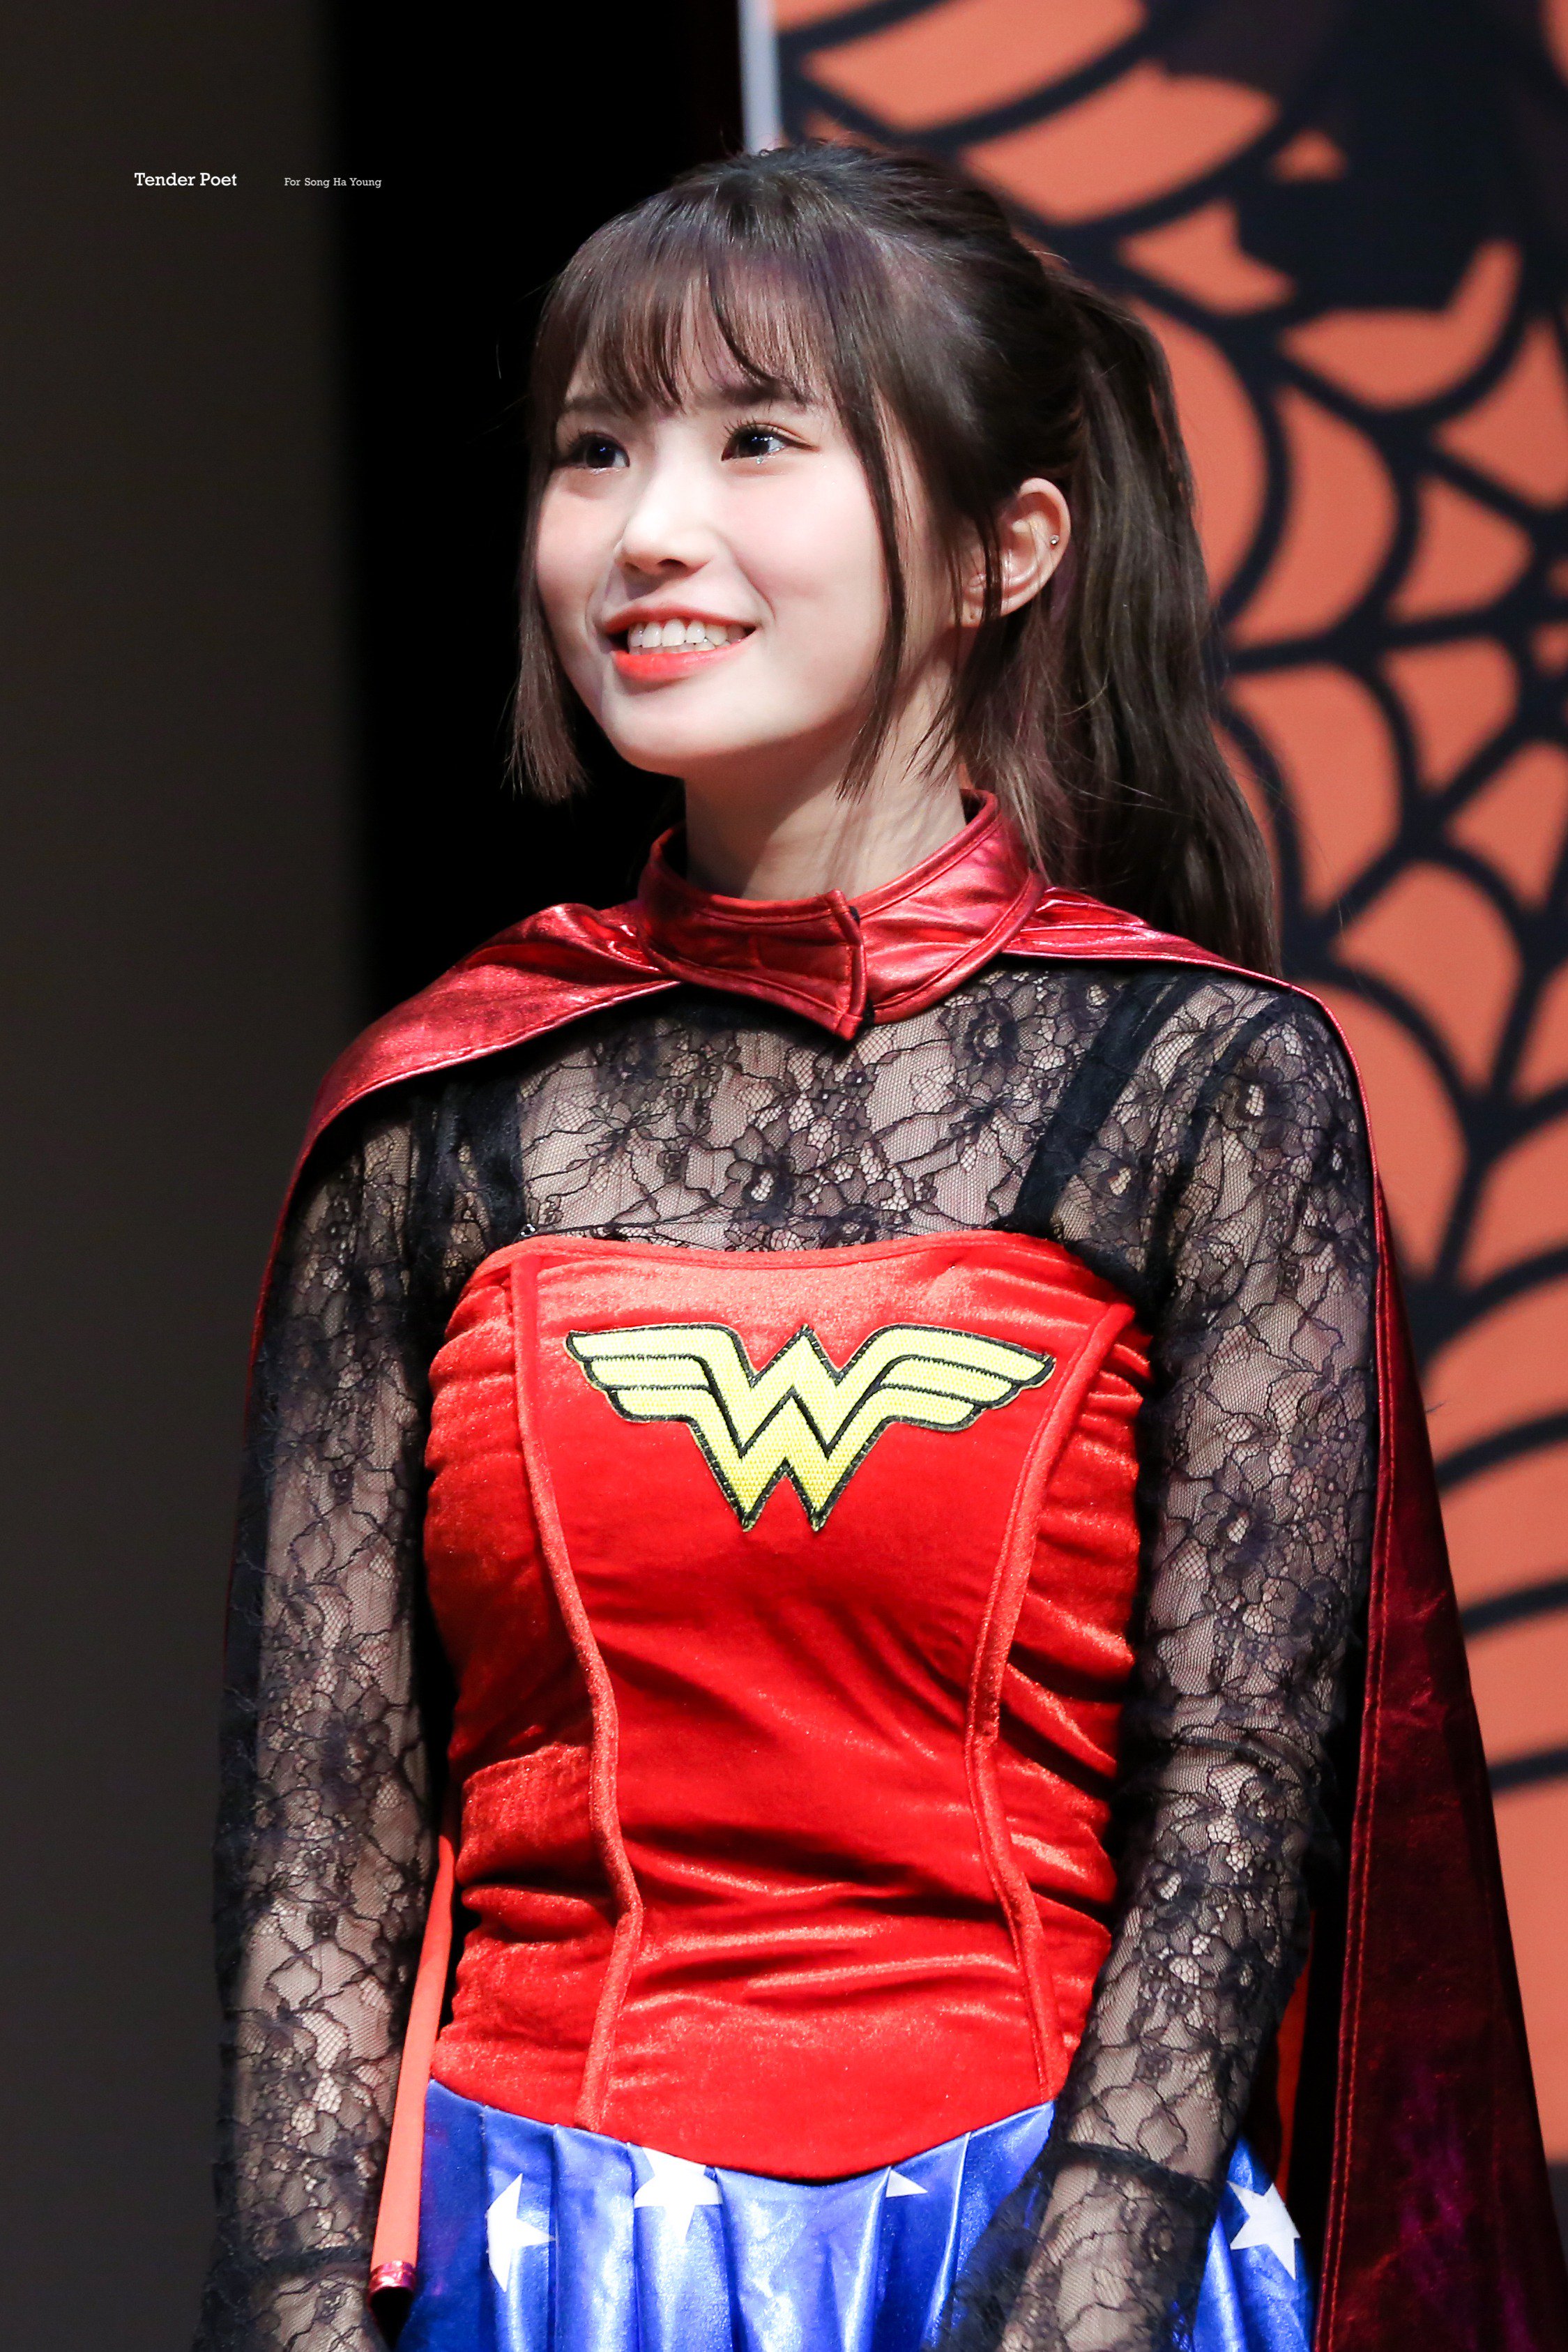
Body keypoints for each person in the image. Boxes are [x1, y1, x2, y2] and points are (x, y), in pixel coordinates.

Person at [194, 145, 1565, 2352]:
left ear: (1005, 548)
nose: (644, 530)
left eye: (755, 441)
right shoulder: (439, 1111)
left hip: (1047, 2238)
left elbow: (1243, 1790)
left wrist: (1097, 2271)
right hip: (555, 2258)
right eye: (592, 450)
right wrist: (288, 2306)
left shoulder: (1206, 1083)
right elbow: (319, 1839)